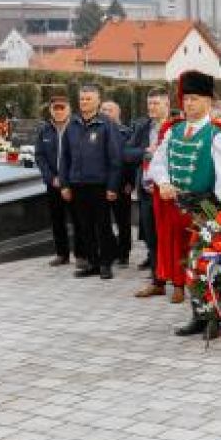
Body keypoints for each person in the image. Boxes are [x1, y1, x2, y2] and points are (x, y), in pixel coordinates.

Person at [149, 70, 221, 338]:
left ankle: (213, 318)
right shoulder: (174, 131)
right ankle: (198, 314)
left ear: (208, 102)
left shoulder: (217, 136)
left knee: (206, 266)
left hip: (205, 213)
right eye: (185, 99)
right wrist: (164, 182)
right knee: (187, 266)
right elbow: (157, 164)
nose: (188, 104)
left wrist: (220, 218)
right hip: (177, 210)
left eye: (193, 99)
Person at [59, 85, 121, 280]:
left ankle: (106, 264)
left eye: (88, 99)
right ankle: (92, 263)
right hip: (77, 184)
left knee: (103, 226)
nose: (83, 102)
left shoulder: (107, 124)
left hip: (100, 185)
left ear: (98, 101)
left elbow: (115, 158)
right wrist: (64, 184)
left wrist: (112, 186)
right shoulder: (73, 124)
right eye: (81, 99)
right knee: (84, 227)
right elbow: (64, 157)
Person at [124, 87, 171, 298]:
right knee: (151, 239)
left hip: (170, 194)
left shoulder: (177, 127)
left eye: (156, 103)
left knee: (171, 238)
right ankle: (157, 281)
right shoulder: (142, 127)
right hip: (146, 193)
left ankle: (180, 282)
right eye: (149, 103)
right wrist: (145, 152)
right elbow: (126, 153)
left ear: (167, 105)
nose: (152, 107)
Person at [35, 95, 85, 267]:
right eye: (55, 108)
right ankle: (62, 254)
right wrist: (51, 178)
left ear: (69, 109)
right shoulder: (44, 130)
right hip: (53, 183)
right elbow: (40, 156)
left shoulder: (78, 127)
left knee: (78, 220)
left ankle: (80, 254)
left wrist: (67, 180)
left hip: (73, 183)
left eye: (62, 108)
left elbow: (80, 157)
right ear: (50, 110)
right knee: (57, 220)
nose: (58, 111)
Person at [101, 100, 133, 266]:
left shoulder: (126, 133)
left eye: (110, 110)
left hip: (121, 184)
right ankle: (111, 250)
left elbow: (129, 159)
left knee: (123, 221)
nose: (106, 112)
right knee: (103, 220)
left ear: (118, 113)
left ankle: (124, 253)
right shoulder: (97, 130)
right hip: (101, 183)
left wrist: (130, 181)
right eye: (103, 109)